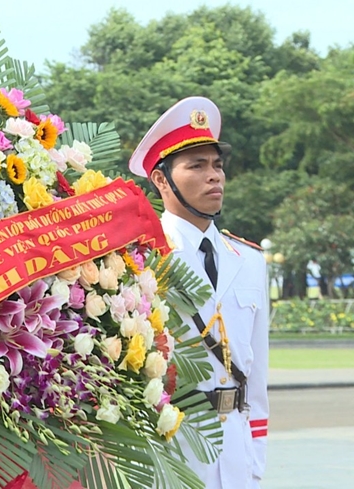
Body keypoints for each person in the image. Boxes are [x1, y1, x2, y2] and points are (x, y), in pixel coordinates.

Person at [129, 96, 269, 488]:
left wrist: (256, 459)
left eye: (218, 165)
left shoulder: (250, 260)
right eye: (197, 165)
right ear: (161, 180)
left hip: (237, 452)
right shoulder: (139, 257)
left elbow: (256, 378)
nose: (215, 176)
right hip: (171, 447)